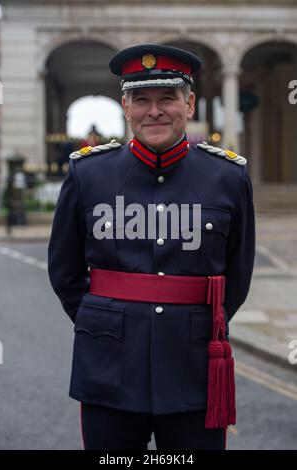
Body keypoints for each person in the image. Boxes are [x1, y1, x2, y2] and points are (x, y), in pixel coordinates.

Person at [48, 44, 255, 450]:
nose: (153, 110)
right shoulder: (88, 174)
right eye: (141, 99)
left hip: (192, 368)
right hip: (108, 366)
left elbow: (238, 274)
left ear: (189, 103)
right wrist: (105, 318)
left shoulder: (227, 177)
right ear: (125, 107)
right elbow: (65, 272)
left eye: (167, 98)